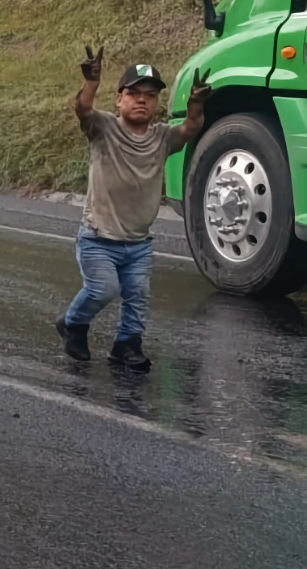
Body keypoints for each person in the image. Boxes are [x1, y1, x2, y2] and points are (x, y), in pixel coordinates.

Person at [55, 47, 210, 371]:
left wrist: (196, 105)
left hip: (138, 243)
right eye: (134, 94)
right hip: (98, 237)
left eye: (150, 96)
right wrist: (91, 82)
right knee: (103, 290)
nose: (142, 100)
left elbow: (191, 128)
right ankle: (73, 323)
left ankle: (127, 345)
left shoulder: (162, 137)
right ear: (119, 99)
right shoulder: (103, 128)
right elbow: (83, 109)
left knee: (137, 295)